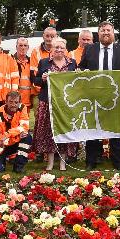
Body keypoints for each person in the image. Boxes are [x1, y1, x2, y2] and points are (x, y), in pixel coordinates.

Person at [78, 20, 120, 170]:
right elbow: (81, 67)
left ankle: (118, 161)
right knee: (93, 129)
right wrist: (82, 71)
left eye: (108, 30)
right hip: (93, 96)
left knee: (115, 130)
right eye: (103, 31)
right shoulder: (89, 49)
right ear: (98, 33)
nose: (106, 33)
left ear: (113, 32)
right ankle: (91, 160)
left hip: (115, 96)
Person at [33, 38, 78, 171]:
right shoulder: (44, 62)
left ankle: (63, 162)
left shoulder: (72, 63)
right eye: (56, 47)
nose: (59, 50)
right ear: (51, 50)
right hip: (48, 102)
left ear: (66, 50)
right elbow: (35, 81)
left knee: (64, 130)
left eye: (61, 48)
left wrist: (77, 75)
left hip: (65, 103)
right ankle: (50, 162)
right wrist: (42, 78)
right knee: (49, 132)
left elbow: (77, 82)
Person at [0, 90, 32, 173]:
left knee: (27, 137)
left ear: (19, 102)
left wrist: (8, 134)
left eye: (16, 102)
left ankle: (19, 166)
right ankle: (1, 160)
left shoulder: (22, 108)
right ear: (6, 102)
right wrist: (17, 137)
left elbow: (24, 126)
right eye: (11, 102)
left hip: (9, 142)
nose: (13, 105)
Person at [14, 37, 35, 108]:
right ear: (16, 47)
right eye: (20, 45)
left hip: (27, 101)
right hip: (14, 101)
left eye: (25, 45)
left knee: (25, 119)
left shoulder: (32, 62)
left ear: (28, 47)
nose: (23, 48)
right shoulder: (11, 61)